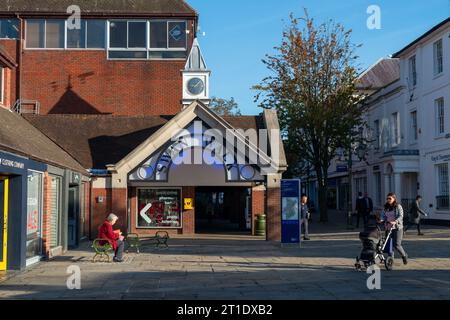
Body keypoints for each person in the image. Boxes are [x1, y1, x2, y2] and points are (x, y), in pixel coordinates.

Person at [378, 193, 408, 265]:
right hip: (388, 227)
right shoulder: (385, 207)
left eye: (390, 198)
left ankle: (404, 256)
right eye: (387, 198)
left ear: (394, 198)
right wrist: (381, 220)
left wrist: (395, 221)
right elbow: (383, 215)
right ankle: (390, 260)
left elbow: (401, 216)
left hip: (397, 228)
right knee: (388, 245)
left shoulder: (398, 206)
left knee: (396, 244)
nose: (388, 200)